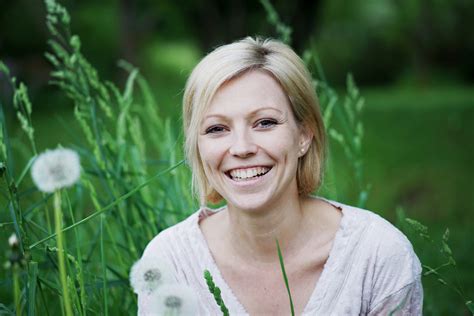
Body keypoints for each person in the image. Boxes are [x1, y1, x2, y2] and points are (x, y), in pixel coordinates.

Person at [135, 37, 423, 315]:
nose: (242, 148)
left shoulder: (377, 256)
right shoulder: (170, 262)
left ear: (304, 134)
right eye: (217, 129)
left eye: (265, 123)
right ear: (198, 146)